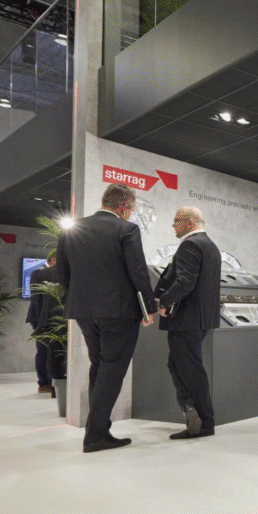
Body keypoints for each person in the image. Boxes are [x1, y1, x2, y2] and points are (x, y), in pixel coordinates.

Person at [57, 183, 155, 453]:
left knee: (99, 366)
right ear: (123, 207)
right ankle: (95, 435)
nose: (130, 214)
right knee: (111, 371)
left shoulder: (72, 229)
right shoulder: (127, 229)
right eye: (131, 209)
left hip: (84, 311)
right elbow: (138, 272)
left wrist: (82, 299)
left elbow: (62, 274)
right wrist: (148, 308)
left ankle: (99, 429)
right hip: (119, 312)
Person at [154, 206, 221, 440]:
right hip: (202, 319)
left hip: (186, 319)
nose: (173, 225)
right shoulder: (211, 246)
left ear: (190, 223)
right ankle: (190, 407)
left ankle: (203, 420)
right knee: (178, 364)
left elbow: (184, 282)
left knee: (190, 368)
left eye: (176, 220)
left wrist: (163, 301)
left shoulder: (190, 245)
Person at [25, 254, 56, 393]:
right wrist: (40, 322)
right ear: (53, 260)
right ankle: (43, 383)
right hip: (40, 319)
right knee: (43, 350)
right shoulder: (38, 273)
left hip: (51, 318)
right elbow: (36, 299)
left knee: (52, 351)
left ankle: (51, 381)